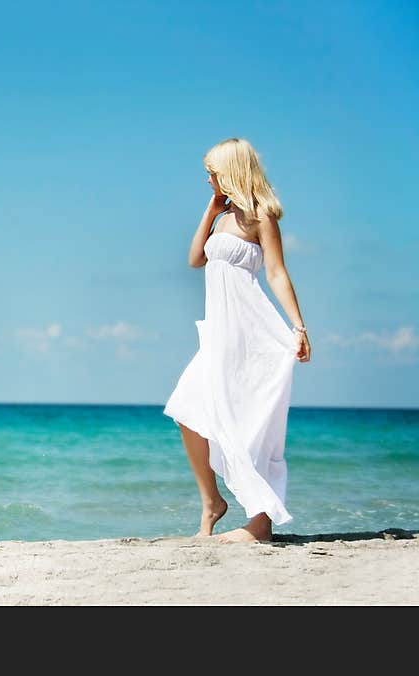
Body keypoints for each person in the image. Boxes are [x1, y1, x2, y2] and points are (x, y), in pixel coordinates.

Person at [162, 137, 311, 543]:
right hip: (219, 334)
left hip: (250, 331)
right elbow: (196, 259)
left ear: (230, 171)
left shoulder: (261, 216)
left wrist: (298, 326)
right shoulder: (222, 216)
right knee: (186, 409)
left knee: (250, 421)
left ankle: (260, 523)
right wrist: (210, 210)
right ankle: (213, 501)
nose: (206, 177)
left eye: (212, 171)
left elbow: (277, 273)